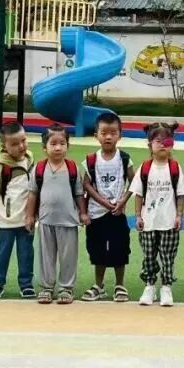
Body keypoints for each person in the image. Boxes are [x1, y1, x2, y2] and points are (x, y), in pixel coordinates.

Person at [128, 122, 184, 307]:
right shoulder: (145, 168)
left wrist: (179, 215)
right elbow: (138, 194)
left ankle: (166, 287)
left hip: (168, 222)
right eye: (158, 140)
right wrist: (138, 216)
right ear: (150, 145)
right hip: (148, 222)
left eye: (166, 140)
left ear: (172, 143)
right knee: (149, 255)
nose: (162, 144)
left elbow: (180, 195)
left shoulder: (175, 168)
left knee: (168, 255)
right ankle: (150, 285)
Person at [26, 125, 87, 304]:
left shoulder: (72, 168)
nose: (58, 147)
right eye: (53, 143)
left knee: (68, 256)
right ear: (44, 147)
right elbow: (32, 194)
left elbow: (79, 194)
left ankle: (66, 288)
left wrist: (83, 213)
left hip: (68, 221)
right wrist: (30, 216)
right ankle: (47, 287)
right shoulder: (39, 168)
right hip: (45, 220)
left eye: (62, 143)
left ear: (68, 146)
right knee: (46, 255)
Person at [81, 112, 134, 303]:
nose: (109, 136)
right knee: (98, 250)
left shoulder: (125, 158)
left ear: (120, 134)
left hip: (117, 214)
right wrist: (102, 201)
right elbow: (86, 184)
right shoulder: (91, 160)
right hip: (97, 214)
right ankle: (99, 285)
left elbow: (133, 181)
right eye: (104, 132)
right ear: (96, 135)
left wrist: (123, 201)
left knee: (120, 249)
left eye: (113, 132)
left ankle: (120, 285)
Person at [0, 123, 36, 299]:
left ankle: (26, 284)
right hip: (6, 220)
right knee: (2, 254)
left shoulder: (29, 158)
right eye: (14, 144)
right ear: (4, 146)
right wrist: (0, 209)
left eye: (23, 140)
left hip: (27, 219)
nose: (21, 146)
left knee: (26, 253)